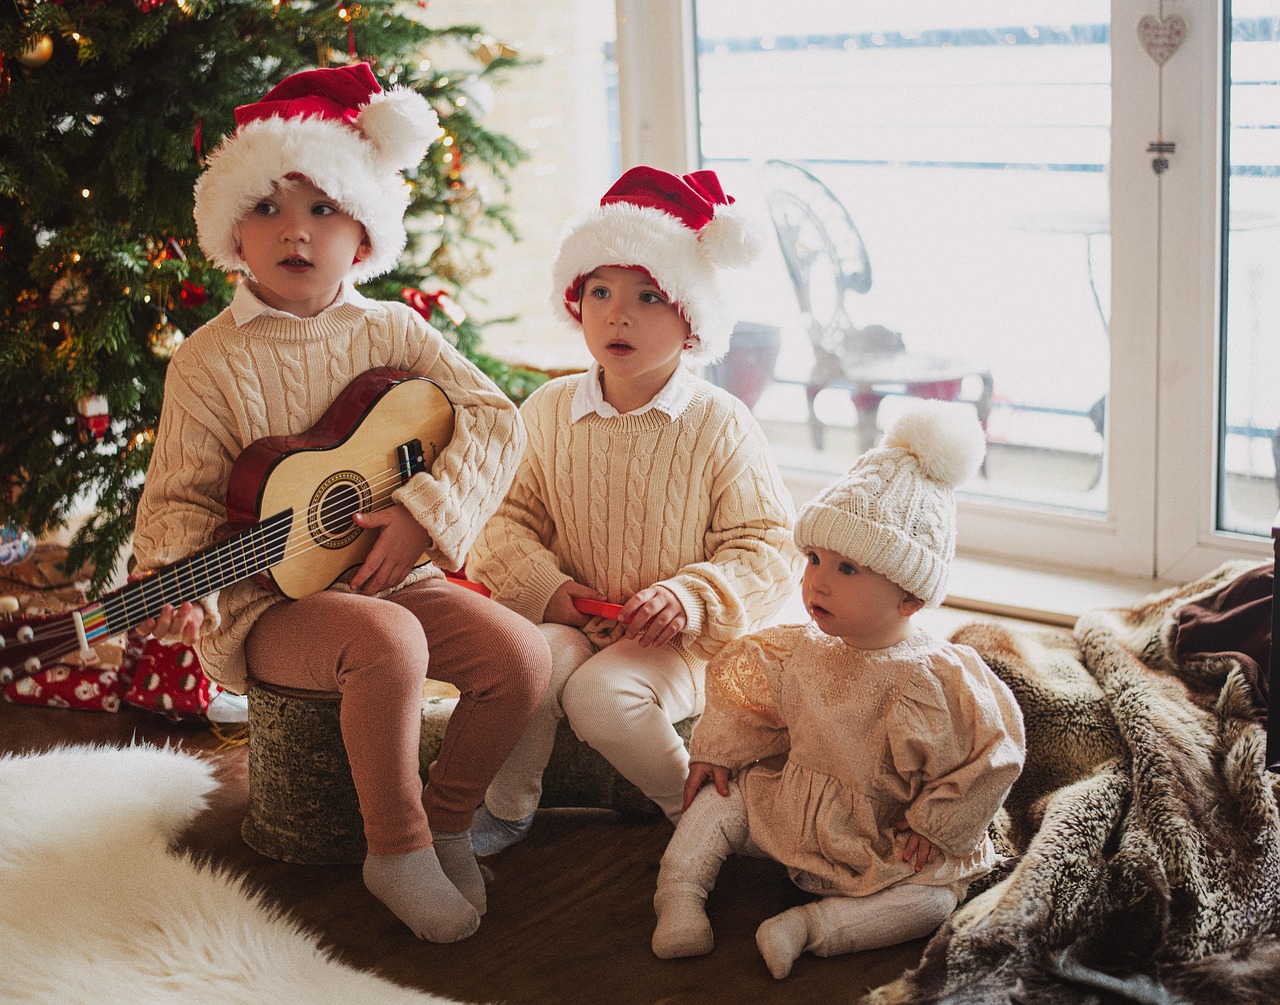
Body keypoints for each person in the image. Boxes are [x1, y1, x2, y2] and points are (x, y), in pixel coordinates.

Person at [131, 63, 552, 944]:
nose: (296, 230)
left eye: (324, 207)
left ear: (363, 232)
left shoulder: (392, 328)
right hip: (269, 603)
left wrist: (424, 511)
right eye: (268, 207)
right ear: (232, 232)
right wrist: (184, 583)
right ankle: (395, 847)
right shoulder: (208, 359)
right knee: (385, 640)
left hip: (384, 574)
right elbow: (181, 500)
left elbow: (494, 417)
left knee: (519, 654)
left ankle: (447, 820)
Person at [465, 166, 801, 854]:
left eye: (649, 296)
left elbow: (769, 545)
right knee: (529, 662)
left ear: (691, 318)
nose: (618, 315)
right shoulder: (549, 410)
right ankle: (507, 804)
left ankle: (702, 819)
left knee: (599, 694)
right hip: (579, 620)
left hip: (684, 644)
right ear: (577, 301)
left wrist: (690, 597)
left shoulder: (718, 422)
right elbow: (499, 517)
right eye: (601, 291)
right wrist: (547, 588)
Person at [650, 400, 1026, 979]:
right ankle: (679, 895)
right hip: (793, 809)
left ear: (909, 596)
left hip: (882, 836)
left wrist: (936, 822)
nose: (817, 583)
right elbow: (746, 702)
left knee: (932, 902)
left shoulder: (932, 678)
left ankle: (811, 928)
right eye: (814, 559)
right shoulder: (797, 649)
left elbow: (990, 753)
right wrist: (718, 750)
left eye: (846, 569)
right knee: (718, 801)